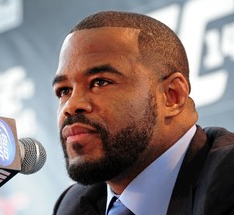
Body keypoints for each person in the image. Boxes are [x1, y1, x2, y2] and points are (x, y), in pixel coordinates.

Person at [51, 11, 234, 215]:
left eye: (100, 82)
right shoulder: (73, 206)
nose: (71, 105)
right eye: (64, 90)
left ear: (172, 96)